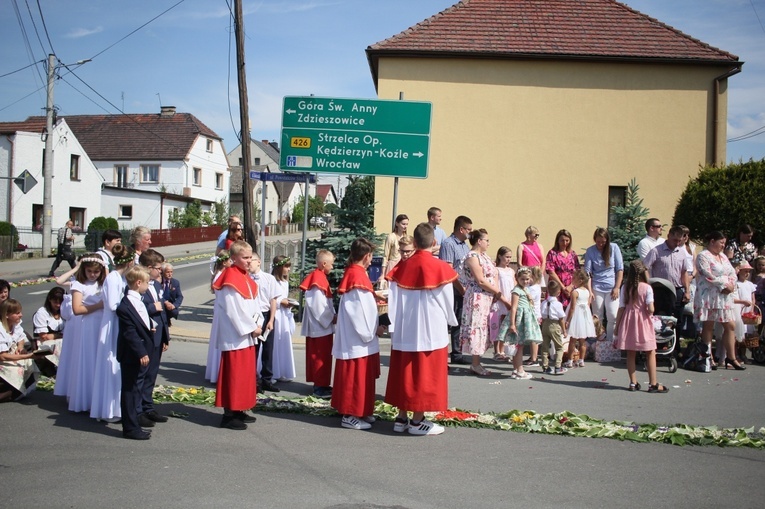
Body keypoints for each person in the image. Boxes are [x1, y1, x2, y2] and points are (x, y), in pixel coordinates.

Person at [384, 222, 457, 436]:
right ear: (434, 242)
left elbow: (394, 301)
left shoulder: (401, 268)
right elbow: (447, 303)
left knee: (405, 373)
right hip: (431, 330)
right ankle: (417, 422)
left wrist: (395, 325)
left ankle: (401, 418)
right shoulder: (441, 267)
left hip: (405, 329)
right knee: (424, 376)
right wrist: (451, 322)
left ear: (414, 242)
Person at [331, 238, 383, 430]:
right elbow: (358, 313)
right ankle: (349, 414)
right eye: (371, 257)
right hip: (358, 338)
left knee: (362, 376)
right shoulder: (357, 277)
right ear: (367, 256)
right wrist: (372, 331)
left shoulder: (357, 274)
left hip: (360, 338)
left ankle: (362, 410)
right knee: (355, 376)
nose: (371, 260)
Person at [212, 240, 262, 430]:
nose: (249, 261)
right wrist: (251, 327)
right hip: (235, 335)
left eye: (251, 257)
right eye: (245, 257)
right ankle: (229, 414)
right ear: (233, 258)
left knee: (244, 375)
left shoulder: (243, 276)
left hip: (246, 334)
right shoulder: (230, 278)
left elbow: (252, 305)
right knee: (234, 374)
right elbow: (235, 310)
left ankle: (239, 408)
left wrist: (258, 322)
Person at [90, 244, 134, 422]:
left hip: (119, 322)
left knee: (118, 363)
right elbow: (112, 305)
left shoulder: (121, 278)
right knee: (111, 362)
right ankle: (109, 409)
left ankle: (118, 407)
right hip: (112, 323)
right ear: (129, 261)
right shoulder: (113, 279)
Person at [613, 260, 669, 393]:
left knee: (631, 352)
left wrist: (617, 327)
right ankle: (653, 383)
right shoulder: (647, 287)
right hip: (643, 321)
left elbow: (621, 307)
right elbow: (650, 308)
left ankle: (633, 382)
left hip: (628, 320)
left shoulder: (625, 287)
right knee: (650, 351)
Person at [116, 266, 155, 440]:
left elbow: (141, 322)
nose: (148, 285)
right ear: (138, 282)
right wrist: (141, 352)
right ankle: (130, 427)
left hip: (141, 351)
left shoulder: (138, 300)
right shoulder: (125, 305)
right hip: (132, 354)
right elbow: (129, 332)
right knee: (130, 390)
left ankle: (135, 423)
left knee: (136, 389)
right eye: (147, 282)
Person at [695, 231, 742, 370]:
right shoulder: (703, 256)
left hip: (724, 296)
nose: (723, 245)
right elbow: (706, 273)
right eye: (721, 242)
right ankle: (708, 357)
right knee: (708, 325)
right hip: (710, 295)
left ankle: (731, 358)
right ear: (712, 241)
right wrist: (723, 284)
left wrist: (731, 285)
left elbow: (732, 273)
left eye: (724, 243)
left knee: (730, 325)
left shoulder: (722, 256)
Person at [459, 229, 503, 376]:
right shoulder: (472, 256)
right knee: (477, 326)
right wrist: (495, 291)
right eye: (487, 240)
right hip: (477, 296)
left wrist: (496, 291)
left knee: (484, 326)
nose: (488, 243)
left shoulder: (484, 256)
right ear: (479, 241)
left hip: (487, 296)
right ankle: (475, 363)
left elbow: (494, 273)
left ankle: (477, 361)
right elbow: (480, 279)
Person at [68, 254, 107, 412]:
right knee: (88, 359)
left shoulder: (103, 283)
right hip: (89, 324)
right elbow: (77, 309)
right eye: (89, 271)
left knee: (100, 360)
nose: (92, 274)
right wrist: (98, 305)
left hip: (102, 324)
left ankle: (99, 398)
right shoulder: (79, 285)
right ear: (84, 270)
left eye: (96, 272)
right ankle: (86, 398)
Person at [137, 249, 170, 427]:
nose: (161, 271)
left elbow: (163, 314)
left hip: (158, 336)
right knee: (142, 375)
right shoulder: (137, 285)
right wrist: (152, 307)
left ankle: (148, 406)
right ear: (149, 268)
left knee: (152, 374)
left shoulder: (156, 285)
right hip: (146, 336)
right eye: (159, 268)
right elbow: (135, 309)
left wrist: (165, 337)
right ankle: (139, 410)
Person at [299, 249, 336, 399]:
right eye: (331, 264)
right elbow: (318, 305)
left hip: (321, 326)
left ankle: (323, 384)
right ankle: (319, 387)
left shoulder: (319, 277)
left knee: (323, 357)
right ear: (324, 263)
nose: (333, 267)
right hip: (319, 326)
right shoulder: (317, 279)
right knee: (320, 357)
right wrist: (331, 317)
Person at [497, 266, 542, 380]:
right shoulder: (516, 291)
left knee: (519, 346)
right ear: (517, 278)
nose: (525, 281)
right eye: (523, 279)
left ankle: (516, 370)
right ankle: (520, 370)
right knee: (519, 346)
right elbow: (513, 308)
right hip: (519, 321)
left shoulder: (525, 289)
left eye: (527, 279)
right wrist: (512, 324)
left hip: (524, 320)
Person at [439, 215, 472, 364]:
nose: (470, 233)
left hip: (464, 289)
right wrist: (461, 288)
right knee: (447, 322)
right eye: (469, 230)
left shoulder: (465, 246)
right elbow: (448, 270)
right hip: (452, 288)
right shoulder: (448, 244)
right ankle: (440, 354)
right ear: (461, 229)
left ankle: (457, 353)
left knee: (458, 321)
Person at [1, 299, 46, 402]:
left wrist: (20, 347)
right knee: (16, 369)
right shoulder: (1, 329)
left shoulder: (15, 325)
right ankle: (11, 392)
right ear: (7, 315)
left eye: (20, 312)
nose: (21, 315)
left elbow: (21, 338)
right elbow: (3, 356)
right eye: (17, 313)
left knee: (28, 363)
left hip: (9, 354)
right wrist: (28, 356)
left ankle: (21, 389)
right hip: (2, 358)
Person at [584, 228, 624, 342]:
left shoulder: (614, 248)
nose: (600, 244)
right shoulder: (591, 251)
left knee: (613, 315)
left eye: (603, 242)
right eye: (598, 242)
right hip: (597, 287)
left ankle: (611, 342)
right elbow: (588, 273)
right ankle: (597, 343)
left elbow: (620, 269)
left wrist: (617, 287)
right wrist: (590, 291)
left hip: (612, 288)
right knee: (597, 316)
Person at [643, 225, 691, 320]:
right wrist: (648, 284)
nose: (677, 243)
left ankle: (676, 335)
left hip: (677, 290)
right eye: (675, 240)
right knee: (661, 318)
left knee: (678, 320)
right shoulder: (656, 251)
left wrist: (687, 291)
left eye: (679, 241)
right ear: (669, 236)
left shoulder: (681, 252)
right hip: (661, 290)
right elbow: (644, 268)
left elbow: (684, 272)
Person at [252, 253, 281, 394]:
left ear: (258, 262)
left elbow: (273, 300)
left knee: (268, 349)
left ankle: (267, 379)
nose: (249, 263)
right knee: (254, 350)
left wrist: (271, 320)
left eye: (251, 261)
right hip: (253, 316)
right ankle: (253, 380)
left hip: (266, 313)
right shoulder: (246, 278)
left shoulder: (268, 278)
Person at [205, 251, 232, 383]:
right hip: (222, 309)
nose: (231, 263)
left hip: (220, 309)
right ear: (224, 262)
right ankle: (218, 370)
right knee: (220, 337)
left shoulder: (220, 274)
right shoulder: (221, 276)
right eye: (230, 260)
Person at [270, 255, 297, 383]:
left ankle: (281, 371)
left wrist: (289, 303)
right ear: (279, 267)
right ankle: (272, 372)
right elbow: (272, 298)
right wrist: (282, 301)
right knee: (275, 342)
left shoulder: (285, 282)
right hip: (276, 314)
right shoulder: (272, 281)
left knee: (283, 342)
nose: (289, 269)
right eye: (286, 266)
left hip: (284, 315)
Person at [565, 269, 596, 368]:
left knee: (573, 340)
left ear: (581, 280)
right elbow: (587, 305)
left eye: (574, 278)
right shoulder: (587, 292)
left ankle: (570, 361)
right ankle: (581, 360)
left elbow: (572, 308)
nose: (572, 279)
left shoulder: (575, 292)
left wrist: (568, 320)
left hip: (576, 317)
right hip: (584, 316)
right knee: (582, 341)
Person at [32, 286, 66, 375]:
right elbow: (44, 336)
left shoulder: (65, 312)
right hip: (43, 343)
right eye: (55, 302)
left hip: (60, 340)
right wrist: (59, 335)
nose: (58, 305)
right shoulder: (42, 313)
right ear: (49, 299)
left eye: (60, 302)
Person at [490, 246, 515, 360]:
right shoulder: (496, 270)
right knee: (498, 326)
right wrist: (504, 300)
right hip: (501, 300)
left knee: (505, 327)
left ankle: (503, 350)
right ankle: (497, 351)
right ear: (500, 256)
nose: (509, 259)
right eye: (506, 257)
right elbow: (495, 286)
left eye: (510, 257)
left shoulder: (511, 271)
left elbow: (514, 286)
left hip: (510, 300)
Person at [545, 229, 581, 308]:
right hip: (557, 285)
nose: (565, 243)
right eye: (562, 240)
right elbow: (550, 271)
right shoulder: (552, 253)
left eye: (567, 240)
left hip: (571, 286)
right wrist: (563, 287)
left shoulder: (573, 254)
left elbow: (577, 271)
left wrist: (570, 287)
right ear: (558, 240)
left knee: (570, 311)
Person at [540, 280, 568, 375]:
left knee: (545, 347)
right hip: (554, 325)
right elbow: (561, 319)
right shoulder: (558, 304)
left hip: (545, 325)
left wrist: (542, 326)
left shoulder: (544, 303)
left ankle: (545, 366)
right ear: (559, 292)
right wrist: (564, 330)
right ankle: (558, 366)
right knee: (559, 347)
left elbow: (542, 316)